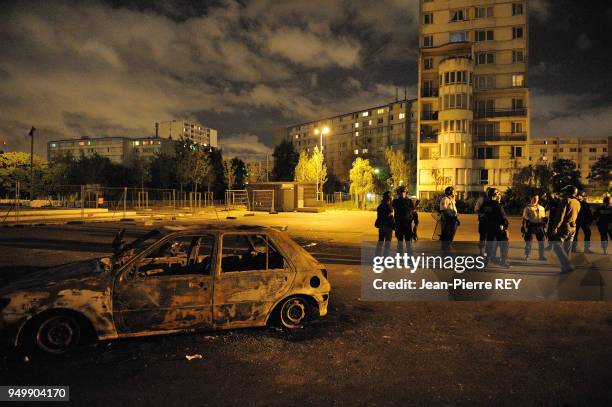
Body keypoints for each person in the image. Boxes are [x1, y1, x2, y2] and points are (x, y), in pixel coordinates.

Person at [550, 185, 581, 273]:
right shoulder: (577, 202)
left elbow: (560, 216)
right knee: (567, 248)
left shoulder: (566, 200)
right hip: (573, 227)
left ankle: (568, 264)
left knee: (556, 246)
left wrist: (555, 227)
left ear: (568, 192)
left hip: (565, 227)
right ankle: (565, 268)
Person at [479, 188, 511, 268]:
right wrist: (505, 228)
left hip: (489, 228)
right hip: (498, 228)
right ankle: (503, 261)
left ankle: (486, 260)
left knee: (488, 245)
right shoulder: (497, 205)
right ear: (495, 195)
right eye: (498, 194)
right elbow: (503, 219)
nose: (499, 196)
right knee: (504, 244)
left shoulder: (485, 204)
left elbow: (481, 215)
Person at [392, 186, 418, 255]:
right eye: (400, 192)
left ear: (406, 192)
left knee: (408, 242)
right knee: (400, 242)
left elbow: (414, 213)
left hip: (407, 224)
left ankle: (409, 257)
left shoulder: (409, 201)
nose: (401, 194)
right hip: (399, 224)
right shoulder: (395, 201)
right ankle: (400, 257)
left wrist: (416, 224)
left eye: (403, 192)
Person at [521, 194, 547, 261]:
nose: (535, 200)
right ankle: (527, 255)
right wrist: (523, 227)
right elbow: (524, 219)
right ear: (531, 199)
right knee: (528, 242)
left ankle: (541, 256)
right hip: (531, 226)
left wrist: (545, 226)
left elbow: (543, 218)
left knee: (542, 241)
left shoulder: (542, 208)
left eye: (537, 198)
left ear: (538, 199)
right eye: (534, 198)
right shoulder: (527, 208)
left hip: (540, 226)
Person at [439, 186, 459, 252]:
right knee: (446, 234)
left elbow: (453, 210)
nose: (454, 192)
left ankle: (448, 247)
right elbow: (443, 210)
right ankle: (446, 249)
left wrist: (456, 219)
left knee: (451, 234)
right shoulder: (445, 199)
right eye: (453, 191)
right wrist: (446, 221)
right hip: (447, 220)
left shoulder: (451, 200)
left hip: (453, 219)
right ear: (450, 192)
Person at [375, 191, 394, 257]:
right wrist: (393, 226)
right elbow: (391, 217)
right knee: (387, 243)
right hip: (388, 227)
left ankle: (377, 256)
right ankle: (385, 257)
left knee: (380, 242)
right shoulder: (389, 207)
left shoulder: (380, 207)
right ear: (389, 198)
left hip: (381, 226)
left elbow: (378, 216)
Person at [474, 190, 488, 256]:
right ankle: (481, 251)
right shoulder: (481, 199)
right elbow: (476, 209)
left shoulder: (495, 200)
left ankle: (488, 252)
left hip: (491, 222)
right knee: (483, 236)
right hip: (483, 221)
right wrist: (481, 214)